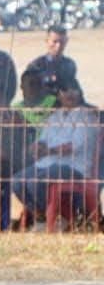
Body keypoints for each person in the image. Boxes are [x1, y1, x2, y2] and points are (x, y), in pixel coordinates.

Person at [11, 80, 100, 222]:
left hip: (74, 167)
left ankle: (60, 217)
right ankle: (42, 215)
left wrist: (48, 151)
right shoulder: (54, 117)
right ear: (58, 95)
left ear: (80, 93)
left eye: (74, 90)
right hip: (49, 164)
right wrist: (37, 146)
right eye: (64, 91)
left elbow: (74, 146)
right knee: (17, 181)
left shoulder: (87, 117)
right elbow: (43, 139)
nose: (69, 94)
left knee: (35, 182)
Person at [24, 26, 76, 103]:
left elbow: (72, 86)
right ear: (47, 41)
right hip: (43, 107)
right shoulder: (35, 65)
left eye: (61, 42)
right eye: (54, 42)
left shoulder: (69, 65)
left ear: (66, 42)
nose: (58, 46)